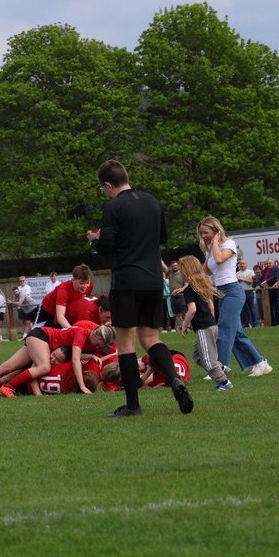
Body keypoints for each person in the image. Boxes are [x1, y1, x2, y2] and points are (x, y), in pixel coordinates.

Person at [86, 159, 193, 417]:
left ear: (108, 184)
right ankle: (173, 378)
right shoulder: (153, 202)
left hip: (126, 281)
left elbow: (108, 245)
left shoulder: (113, 207)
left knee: (126, 344)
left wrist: (95, 241)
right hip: (154, 280)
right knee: (151, 339)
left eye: (104, 188)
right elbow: (162, 238)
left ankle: (133, 406)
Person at [197, 216, 272, 378]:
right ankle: (260, 363)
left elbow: (219, 260)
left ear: (216, 231)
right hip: (222, 293)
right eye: (201, 233)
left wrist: (215, 242)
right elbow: (203, 273)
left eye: (206, 232)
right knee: (235, 332)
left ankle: (220, 367)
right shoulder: (210, 249)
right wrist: (186, 285)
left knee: (224, 328)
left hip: (233, 291)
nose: (203, 236)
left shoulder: (228, 244)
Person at [0, 322, 115, 398]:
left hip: (39, 338)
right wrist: (82, 386)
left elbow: (76, 353)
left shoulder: (88, 336)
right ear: (95, 335)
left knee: (6, 368)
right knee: (44, 367)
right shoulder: (83, 334)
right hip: (42, 337)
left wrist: (91, 356)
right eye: (100, 344)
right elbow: (74, 360)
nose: (99, 347)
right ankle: (8, 387)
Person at [176, 255, 234, 390]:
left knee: (208, 360)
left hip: (204, 326)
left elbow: (192, 309)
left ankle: (224, 382)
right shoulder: (202, 284)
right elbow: (210, 305)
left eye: (181, 269)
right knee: (197, 356)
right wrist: (211, 317)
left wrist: (184, 325)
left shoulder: (190, 288)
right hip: (211, 324)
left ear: (186, 270)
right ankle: (221, 368)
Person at [32, 264, 94, 329]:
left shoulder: (89, 287)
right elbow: (60, 316)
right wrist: (72, 330)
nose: (85, 286)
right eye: (81, 283)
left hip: (65, 312)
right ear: (73, 280)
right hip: (47, 310)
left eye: (87, 283)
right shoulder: (64, 290)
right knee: (35, 334)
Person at [236, 259, 258, 329]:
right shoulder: (237, 273)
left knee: (251, 308)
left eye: (243, 263)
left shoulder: (250, 272)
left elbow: (252, 281)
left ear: (246, 264)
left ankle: (254, 324)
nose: (242, 265)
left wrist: (243, 279)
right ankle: (246, 324)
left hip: (249, 291)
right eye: (240, 264)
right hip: (241, 292)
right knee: (243, 309)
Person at [167, 261, 186, 332]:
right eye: (173, 266)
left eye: (176, 265)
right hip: (173, 296)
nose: (175, 267)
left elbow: (186, 284)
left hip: (181, 296)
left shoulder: (182, 274)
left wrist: (181, 290)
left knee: (184, 312)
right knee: (176, 313)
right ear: (171, 267)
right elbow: (165, 268)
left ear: (178, 266)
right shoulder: (170, 273)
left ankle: (187, 326)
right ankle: (177, 327)